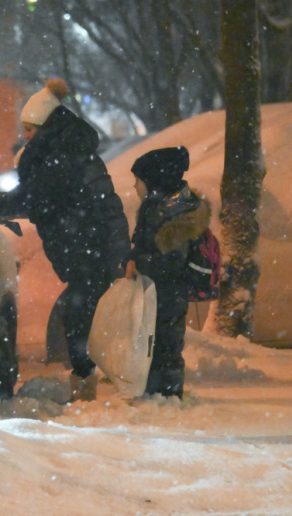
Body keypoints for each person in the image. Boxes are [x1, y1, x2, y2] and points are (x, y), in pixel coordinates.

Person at [0, 77, 130, 402]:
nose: (26, 137)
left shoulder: (59, 157)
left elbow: (34, 197)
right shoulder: (70, 150)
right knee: (83, 314)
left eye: (30, 130)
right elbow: (40, 197)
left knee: (80, 317)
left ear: (45, 126)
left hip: (89, 247)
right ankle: (90, 382)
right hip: (94, 244)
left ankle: (88, 386)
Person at [124, 146, 210, 399]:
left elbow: (170, 261)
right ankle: (156, 391)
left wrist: (141, 263)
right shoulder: (159, 207)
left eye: (137, 181)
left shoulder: (171, 213)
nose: (134, 187)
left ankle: (167, 395)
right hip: (159, 291)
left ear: (154, 181)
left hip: (169, 293)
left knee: (165, 345)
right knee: (154, 342)